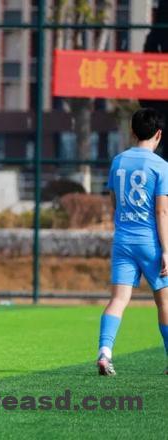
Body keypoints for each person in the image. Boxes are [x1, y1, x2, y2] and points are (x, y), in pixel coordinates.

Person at [97, 107, 168, 376]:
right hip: (150, 243)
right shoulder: (161, 166)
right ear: (158, 134)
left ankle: (105, 352)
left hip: (123, 241)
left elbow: (114, 203)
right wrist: (166, 250)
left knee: (118, 299)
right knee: (164, 303)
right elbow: (161, 212)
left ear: (132, 131)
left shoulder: (118, 161)